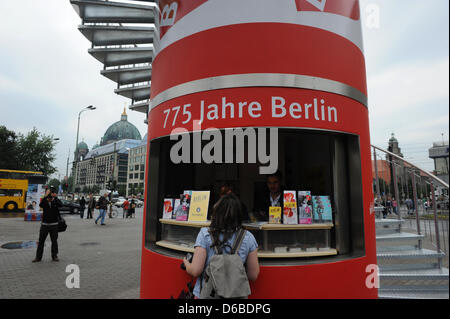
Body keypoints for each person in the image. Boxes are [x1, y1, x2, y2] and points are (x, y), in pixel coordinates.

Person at [183, 193, 260, 299]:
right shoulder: (248, 237)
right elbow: (253, 275)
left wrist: (187, 264)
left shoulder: (205, 234)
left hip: (206, 295)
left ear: (217, 212)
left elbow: (196, 271)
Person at [32, 187, 63, 262]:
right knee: (41, 241)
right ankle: (38, 257)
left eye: (51, 193)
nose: (50, 194)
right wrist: (46, 197)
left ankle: (54, 256)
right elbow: (40, 205)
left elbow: (61, 205)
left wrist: (55, 198)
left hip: (54, 224)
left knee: (54, 241)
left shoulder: (55, 200)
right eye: (48, 192)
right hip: (45, 224)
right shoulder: (44, 201)